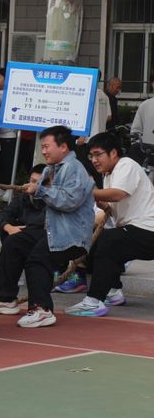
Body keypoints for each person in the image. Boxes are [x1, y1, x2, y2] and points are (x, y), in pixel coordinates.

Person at [9, 126, 94, 327]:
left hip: (70, 234)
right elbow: (45, 200)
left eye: (47, 146)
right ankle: (5, 298)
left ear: (63, 147)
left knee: (37, 260)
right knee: (18, 244)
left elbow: (69, 201)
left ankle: (42, 309)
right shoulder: (50, 170)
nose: (44, 151)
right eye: (42, 147)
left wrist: (39, 190)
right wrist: (34, 191)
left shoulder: (73, 168)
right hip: (53, 231)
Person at [66, 133, 154, 317]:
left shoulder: (126, 164)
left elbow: (117, 194)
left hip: (148, 230)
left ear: (113, 153)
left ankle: (94, 300)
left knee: (109, 240)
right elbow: (112, 207)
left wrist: (86, 192)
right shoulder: (108, 175)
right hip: (138, 230)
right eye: (91, 156)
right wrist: (102, 205)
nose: (94, 160)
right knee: (101, 243)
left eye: (98, 154)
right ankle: (113, 291)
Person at [0, 165, 47, 315]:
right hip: (21, 237)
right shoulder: (24, 197)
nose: (33, 185)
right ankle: (5, 297)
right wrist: (8, 227)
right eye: (32, 181)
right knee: (10, 234)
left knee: (15, 241)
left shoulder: (53, 200)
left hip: (42, 239)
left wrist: (22, 230)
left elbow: (43, 222)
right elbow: (3, 215)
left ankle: (6, 298)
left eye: (39, 183)